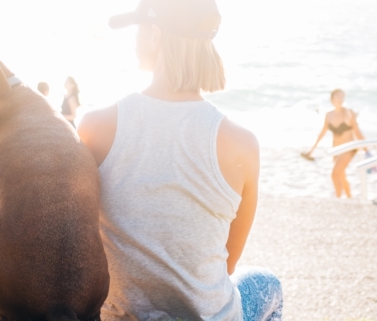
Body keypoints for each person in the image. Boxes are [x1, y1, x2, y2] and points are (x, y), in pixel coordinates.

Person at [77, 0, 282, 320]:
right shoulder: (242, 144)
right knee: (269, 285)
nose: (135, 39)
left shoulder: (96, 127)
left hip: (122, 315)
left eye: (139, 29)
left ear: (155, 35)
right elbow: (226, 264)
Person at [303, 89, 365, 198]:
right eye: (338, 97)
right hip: (335, 149)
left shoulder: (349, 113)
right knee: (341, 175)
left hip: (348, 148)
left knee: (334, 174)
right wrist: (311, 150)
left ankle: (338, 199)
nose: (341, 99)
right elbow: (322, 134)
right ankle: (349, 198)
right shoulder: (329, 115)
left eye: (342, 97)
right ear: (332, 99)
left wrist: (366, 149)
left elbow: (357, 131)